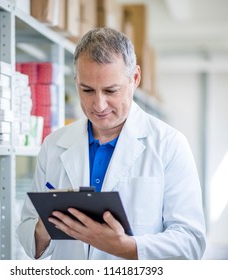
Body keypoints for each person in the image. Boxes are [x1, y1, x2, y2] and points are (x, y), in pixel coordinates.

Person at [17, 27, 206, 260]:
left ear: (135, 78)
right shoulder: (54, 145)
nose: (99, 105)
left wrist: (125, 247)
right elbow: (27, 236)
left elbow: (191, 241)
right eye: (87, 90)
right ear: (76, 81)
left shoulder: (169, 145)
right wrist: (47, 224)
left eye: (110, 90)